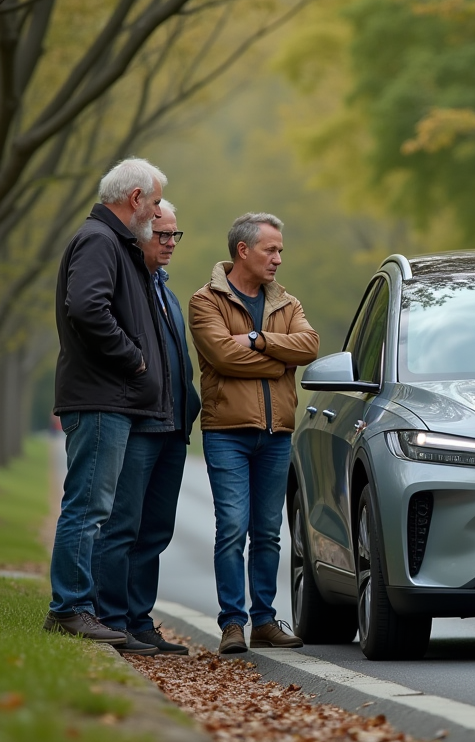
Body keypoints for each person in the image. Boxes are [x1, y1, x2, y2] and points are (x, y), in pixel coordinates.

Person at [45, 158, 170, 645]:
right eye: (156, 201)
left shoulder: (116, 243)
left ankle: (80, 607)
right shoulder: (100, 241)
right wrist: (133, 359)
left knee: (93, 507)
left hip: (108, 398)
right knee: (88, 507)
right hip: (99, 398)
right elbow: (87, 307)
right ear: (135, 198)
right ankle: (69, 608)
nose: (158, 213)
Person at [189, 213, 320, 654]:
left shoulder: (288, 303)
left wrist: (259, 340)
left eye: (280, 250)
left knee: (267, 532)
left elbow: (309, 346)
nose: (279, 258)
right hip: (227, 432)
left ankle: (264, 620)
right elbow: (223, 356)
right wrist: (280, 360)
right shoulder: (205, 301)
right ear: (243, 251)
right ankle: (232, 623)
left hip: (278, 433)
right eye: (271, 249)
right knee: (231, 527)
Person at [92, 200, 201, 655]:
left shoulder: (166, 291)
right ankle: (112, 619)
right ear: (139, 235)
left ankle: (138, 621)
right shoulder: (130, 286)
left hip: (173, 428)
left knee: (156, 531)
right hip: (139, 424)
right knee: (123, 526)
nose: (170, 243)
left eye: (175, 235)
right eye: (162, 235)